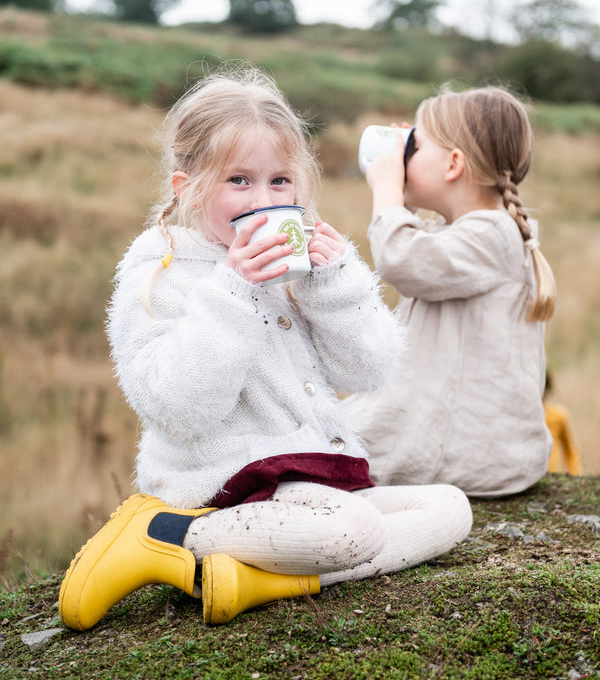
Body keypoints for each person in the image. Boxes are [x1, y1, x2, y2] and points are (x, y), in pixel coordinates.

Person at [59, 66, 472, 630]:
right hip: (219, 487)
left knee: (450, 507)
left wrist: (334, 283)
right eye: (239, 181)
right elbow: (177, 407)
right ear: (189, 188)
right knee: (351, 529)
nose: (263, 198)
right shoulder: (159, 271)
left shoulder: (296, 266)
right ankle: (160, 533)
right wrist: (235, 289)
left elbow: (371, 369)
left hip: (306, 477)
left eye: (280, 181)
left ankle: (256, 578)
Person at [342, 84, 557, 498]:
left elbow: (401, 259)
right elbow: (423, 256)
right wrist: (407, 181)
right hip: (479, 449)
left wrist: (387, 187)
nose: (403, 157)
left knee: (315, 443)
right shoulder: (479, 233)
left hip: (463, 454)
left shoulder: (492, 234)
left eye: (414, 147)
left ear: (454, 164)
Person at [544, 370, 582, 475]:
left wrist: (575, 475)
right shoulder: (524, 418)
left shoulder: (559, 416)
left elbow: (571, 452)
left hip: (551, 478)